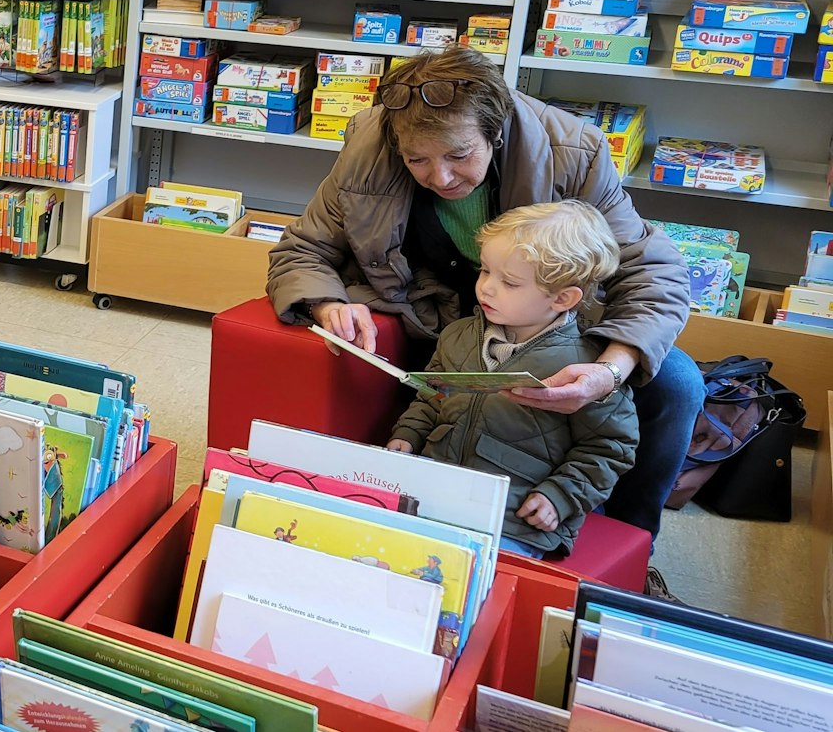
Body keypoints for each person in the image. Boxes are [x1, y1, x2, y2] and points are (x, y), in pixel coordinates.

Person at [267, 48, 703, 592]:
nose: (440, 177)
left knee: (679, 383)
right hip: (430, 322)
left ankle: (630, 553)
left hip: (549, 329)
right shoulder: (369, 146)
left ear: (496, 133)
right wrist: (327, 303)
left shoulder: (574, 151)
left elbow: (651, 274)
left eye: (458, 155)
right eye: (417, 160)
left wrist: (610, 369)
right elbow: (301, 251)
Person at [387, 202, 639, 559]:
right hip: (436, 492)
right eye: (485, 270)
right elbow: (432, 396)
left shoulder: (585, 367)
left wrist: (561, 496)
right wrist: (407, 435)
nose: (486, 288)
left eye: (509, 282)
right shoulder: (458, 336)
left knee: (461, 581)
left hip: (514, 518)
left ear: (563, 298)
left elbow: (610, 447)